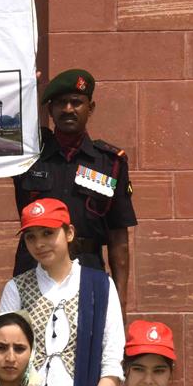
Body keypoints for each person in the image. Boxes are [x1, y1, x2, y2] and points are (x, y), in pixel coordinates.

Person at [12, 69, 135, 311]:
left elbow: (118, 238)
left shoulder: (109, 163)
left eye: (76, 102)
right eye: (60, 103)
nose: (68, 109)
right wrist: (23, 87)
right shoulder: (28, 154)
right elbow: (1, 126)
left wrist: (120, 303)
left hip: (88, 269)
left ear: (91, 108)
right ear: (50, 110)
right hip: (33, 269)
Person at [0, 198, 124, 386]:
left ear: (69, 233)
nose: (39, 244)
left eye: (47, 233)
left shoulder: (100, 286)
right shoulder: (16, 288)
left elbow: (112, 363)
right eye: (31, 237)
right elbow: (0, 360)